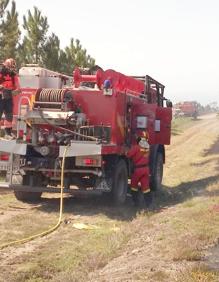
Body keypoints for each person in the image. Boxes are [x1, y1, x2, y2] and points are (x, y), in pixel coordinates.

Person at [126, 131, 152, 208]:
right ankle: (149, 204)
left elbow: (128, 155)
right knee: (146, 188)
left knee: (134, 187)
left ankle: (136, 204)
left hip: (138, 170)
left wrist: (126, 151)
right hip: (146, 169)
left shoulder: (136, 147)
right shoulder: (147, 147)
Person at [0, 58, 20, 139]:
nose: (10, 68)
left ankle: (8, 133)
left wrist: (13, 92)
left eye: (12, 67)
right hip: (0, 96)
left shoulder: (13, 76)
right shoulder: (1, 73)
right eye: (9, 66)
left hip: (8, 97)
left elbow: (18, 88)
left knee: (9, 115)